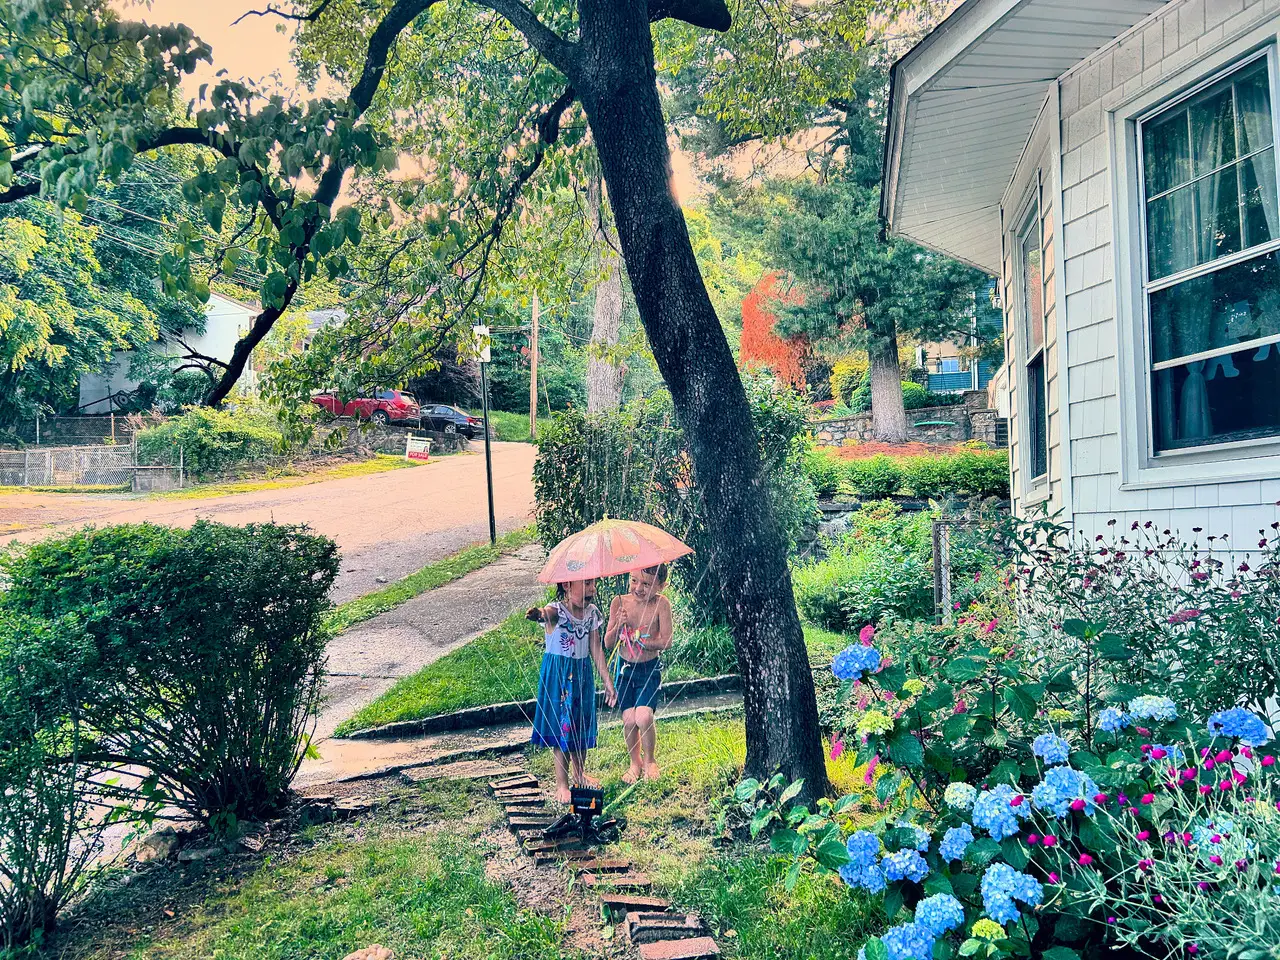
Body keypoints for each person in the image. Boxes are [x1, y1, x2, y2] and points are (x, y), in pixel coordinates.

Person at [527, 578, 617, 804]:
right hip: (560, 676)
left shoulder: (592, 614)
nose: (592, 589)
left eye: (594, 584)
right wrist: (538, 614)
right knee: (562, 728)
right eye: (586, 585)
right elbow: (546, 614)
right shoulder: (557, 611)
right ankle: (562, 784)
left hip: (582, 674)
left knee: (581, 726)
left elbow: (596, 648)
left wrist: (607, 682)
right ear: (567, 586)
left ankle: (579, 774)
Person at [604, 564, 673, 783]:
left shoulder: (661, 604)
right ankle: (635, 763)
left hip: (648, 669)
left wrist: (644, 641)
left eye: (646, 584)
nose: (639, 588)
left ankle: (650, 760)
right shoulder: (620, 603)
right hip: (625, 670)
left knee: (644, 716)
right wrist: (619, 626)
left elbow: (667, 641)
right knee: (629, 719)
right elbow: (608, 643)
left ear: (661, 586)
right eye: (634, 581)